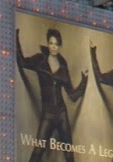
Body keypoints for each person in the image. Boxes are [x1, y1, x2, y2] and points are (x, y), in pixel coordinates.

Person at [16, 26, 87, 162]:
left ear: (60, 46)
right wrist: (15, 39)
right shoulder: (40, 59)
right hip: (48, 112)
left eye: (56, 44)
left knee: (69, 153)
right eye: (51, 43)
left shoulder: (63, 64)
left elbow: (72, 95)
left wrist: (84, 81)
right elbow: (23, 63)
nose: (54, 47)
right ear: (48, 43)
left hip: (62, 113)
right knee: (38, 151)